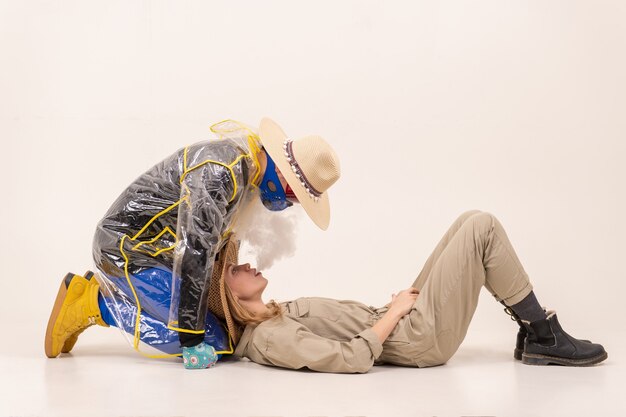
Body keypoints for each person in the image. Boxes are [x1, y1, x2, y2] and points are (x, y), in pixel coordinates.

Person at [44, 117, 341, 370]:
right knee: (215, 339)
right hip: (129, 250)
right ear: (284, 178)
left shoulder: (243, 167)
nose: (288, 205)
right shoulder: (221, 172)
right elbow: (195, 251)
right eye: (293, 196)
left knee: (217, 331)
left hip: (153, 251)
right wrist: (190, 338)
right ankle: (93, 303)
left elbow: (212, 246)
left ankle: (99, 296)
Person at [207, 211, 607, 373]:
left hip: (407, 324)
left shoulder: (272, 317)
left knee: (466, 222)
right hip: (419, 339)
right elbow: (347, 359)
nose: (245, 264)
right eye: (233, 270)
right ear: (231, 299)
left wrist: (390, 310)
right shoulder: (268, 338)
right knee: (481, 228)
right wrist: (394, 314)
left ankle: (531, 333)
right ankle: (543, 334)